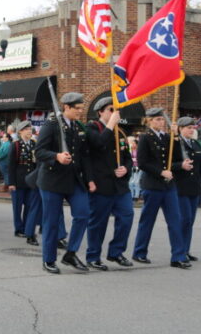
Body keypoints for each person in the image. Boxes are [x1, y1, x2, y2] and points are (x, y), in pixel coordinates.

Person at [35, 92, 94, 274]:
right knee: (52, 222)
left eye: (82, 108)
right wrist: (56, 156)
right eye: (77, 108)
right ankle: (49, 259)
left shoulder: (77, 127)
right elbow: (39, 152)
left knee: (83, 213)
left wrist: (90, 179)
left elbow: (84, 156)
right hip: (53, 180)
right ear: (66, 107)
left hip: (74, 179)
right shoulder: (52, 125)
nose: (80, 112)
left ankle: (71, 253)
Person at [132, 108, 189, 269]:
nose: (161, 122)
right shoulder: (145, 137)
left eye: (162, 119)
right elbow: (142, 162)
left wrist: (176, 136)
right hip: (152, 185)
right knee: (148, 220)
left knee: (175, 220)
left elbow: (176, 156)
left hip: (168, 185)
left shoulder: (167, 137)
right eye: (157, 119)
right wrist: (160, 171)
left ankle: (178, 256)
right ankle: (140, 252)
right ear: (149, 121)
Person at [85, 97, 135, 270]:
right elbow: (98, 144)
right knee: (98, 222)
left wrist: (126, 169)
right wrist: (110, 125)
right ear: (100, 112)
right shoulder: (92, 128)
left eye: (116, 110)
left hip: (120, 185)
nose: (114, 113)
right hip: (101, 184)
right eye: (110, 110)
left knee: (127, 216)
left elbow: (127, 157)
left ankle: (116, 252)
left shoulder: (119, 132)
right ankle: (93, 256)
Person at [173, 117, 201, 263]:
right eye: (188, 127)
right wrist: (180, 165)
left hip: (194, 188)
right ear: (180, 128)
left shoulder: (196, 144)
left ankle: (186, 249)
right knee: (184, 220)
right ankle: (179, 251)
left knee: (190, 221)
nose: (192, 130)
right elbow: (168, 165)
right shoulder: (175, 143)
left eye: (193, 127)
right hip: (180, 187)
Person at [7, 121, 36, 238]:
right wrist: (11, 183)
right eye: (26, 129)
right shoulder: (16, 145)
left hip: (31, 182)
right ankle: (18, 229)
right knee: (18, 207)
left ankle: (27, 228)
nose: (29, 131)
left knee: (29, 206)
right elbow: (11, 165)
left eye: (30, 129)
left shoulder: (34, 144)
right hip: (18, 182)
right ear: (20, 132)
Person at [128, 136, 141, 202]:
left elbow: (139, 160)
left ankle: (136, 195)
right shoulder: (130, 151)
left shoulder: (139, 151)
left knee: (136, 182)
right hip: (132, 168)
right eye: (132, 143)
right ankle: (131, 195)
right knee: (130, 182)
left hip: (138, 168)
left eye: (133, 143)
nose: (132, 145)